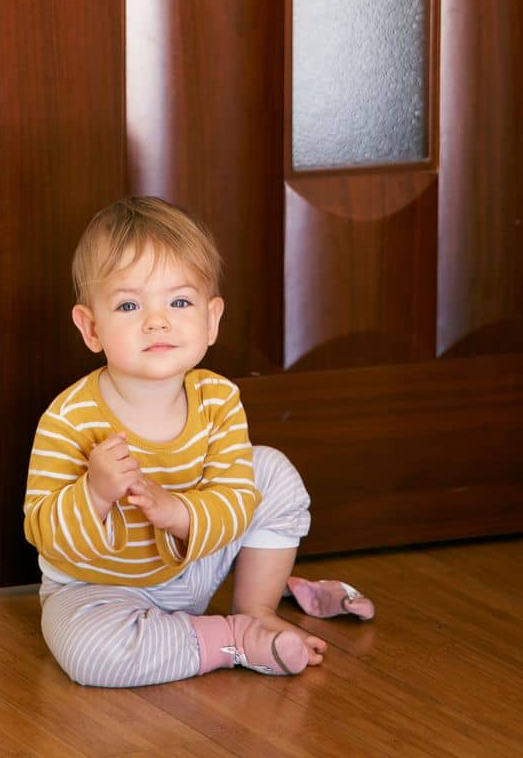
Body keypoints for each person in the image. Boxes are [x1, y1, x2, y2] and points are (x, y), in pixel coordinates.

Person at [23, 196, 374, 688]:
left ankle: (257, 609)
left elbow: (234, 499)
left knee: (269, 469)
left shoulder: (217, 399)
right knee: (91, 655)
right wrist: (94, 495)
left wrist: (179, 514)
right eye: (129, 305)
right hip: (100, 589)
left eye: (179, 302)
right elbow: (44, 532)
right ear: (91, 327)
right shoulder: (69, 418)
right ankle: (230, 638)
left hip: (193, 563)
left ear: (211, 319)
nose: (157, 320)